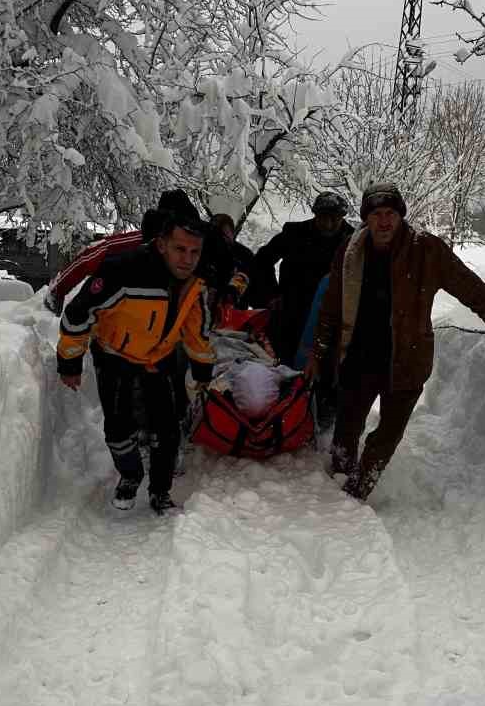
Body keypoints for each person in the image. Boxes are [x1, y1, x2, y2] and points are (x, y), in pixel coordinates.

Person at [308, 182, 485, 501]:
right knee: (346, 429)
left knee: (387, 436)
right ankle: (340, 478)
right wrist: (318, 353)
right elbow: (331, 306)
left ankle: (356, 493)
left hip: (406, 362)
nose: (384, 221)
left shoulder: (427, 250)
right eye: (376, 214)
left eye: (390, 213)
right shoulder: (350, 251)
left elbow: (475, 293)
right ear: (366, 218)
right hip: (358, 358)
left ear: (400, 216)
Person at [56, 213, 216, 514]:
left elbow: (197, 331)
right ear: (161, 245)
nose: (188, 259)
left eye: (195, 252)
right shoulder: (123, 272)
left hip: (159, 359)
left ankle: (160, 492)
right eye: (180, 249)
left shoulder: (195, 283)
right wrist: (69, 362)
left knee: (167, 430)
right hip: (115, 357)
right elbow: (78, 314)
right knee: (118, 428)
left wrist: (202, 368)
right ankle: (130, 475)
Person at [255, 191, 354, 364]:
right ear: (315, 214)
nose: (328, 224)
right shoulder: (295, 233)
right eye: (323, 218)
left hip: (329, 321)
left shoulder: (353, 242)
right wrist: (271, 294)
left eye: (334, 219)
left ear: (342, 218)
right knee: (283, 370)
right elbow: (262, 259)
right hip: (290, 315)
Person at [208, 212, 259, 307]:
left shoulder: (244, 254)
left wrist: (232, 292)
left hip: (234, 312)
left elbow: (247, 275)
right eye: (215, 234)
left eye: (224, 235)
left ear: (233, 233)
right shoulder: (202, 251)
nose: (220, 239)